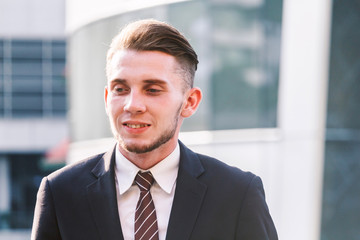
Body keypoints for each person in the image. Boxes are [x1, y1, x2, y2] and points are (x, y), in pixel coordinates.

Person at [31, 19, 278, 240]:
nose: (132, 105)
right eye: (120, 89)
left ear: (189, 102)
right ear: (107, 98)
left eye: (152, 90)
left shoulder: (237, 194)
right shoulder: (60, 193)